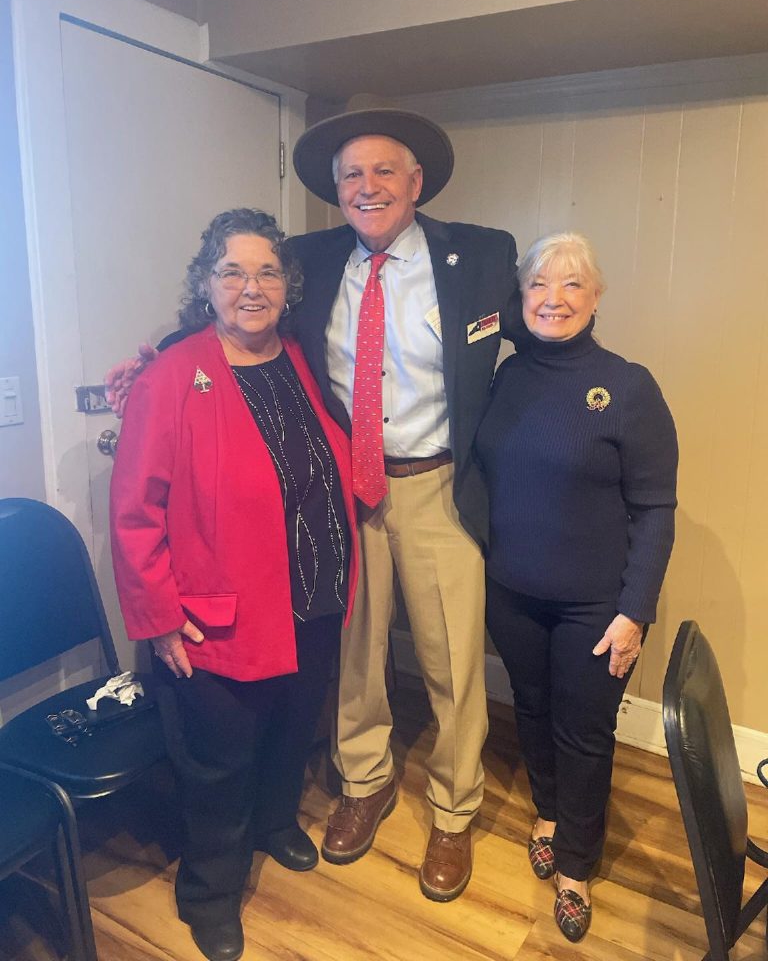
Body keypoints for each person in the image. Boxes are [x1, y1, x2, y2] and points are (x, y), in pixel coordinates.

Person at [106, 109, 521, 902]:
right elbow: (233, 309)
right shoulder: (314, 258)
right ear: (335, 191)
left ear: (415, 182)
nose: (367, 188)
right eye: (350, 176)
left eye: (384, 171)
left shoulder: (480, 255)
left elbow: (537, 334)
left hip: (436, 486)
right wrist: (158, 355)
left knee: (454, 664)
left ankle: (453, 809)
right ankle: (363, 780)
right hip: (348, 491)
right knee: (354, 656)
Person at [110, 209, 358, 961]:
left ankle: (275, 824)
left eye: (268, 272)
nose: (252, 288)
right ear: (206, 285)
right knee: (218, 764)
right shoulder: (172, 376)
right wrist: (157, 616)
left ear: (288, 287)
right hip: (218, 617)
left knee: (290, 732)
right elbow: (135, 511)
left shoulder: (299, 357)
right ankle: (209, 894)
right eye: (233, 272)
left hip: (310, 598)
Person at [474, 232, 677, 942]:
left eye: (571, 285)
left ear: (596, 298)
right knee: (530, 708)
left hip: (596, 606)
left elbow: (655, 509)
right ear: (520, 296)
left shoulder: (628, 387)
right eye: (538, 284)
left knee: (583, 732)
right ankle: (549, 813)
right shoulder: (504, 376)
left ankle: (575, 866)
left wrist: (635, 611)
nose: (553, 299)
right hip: (511, 592)